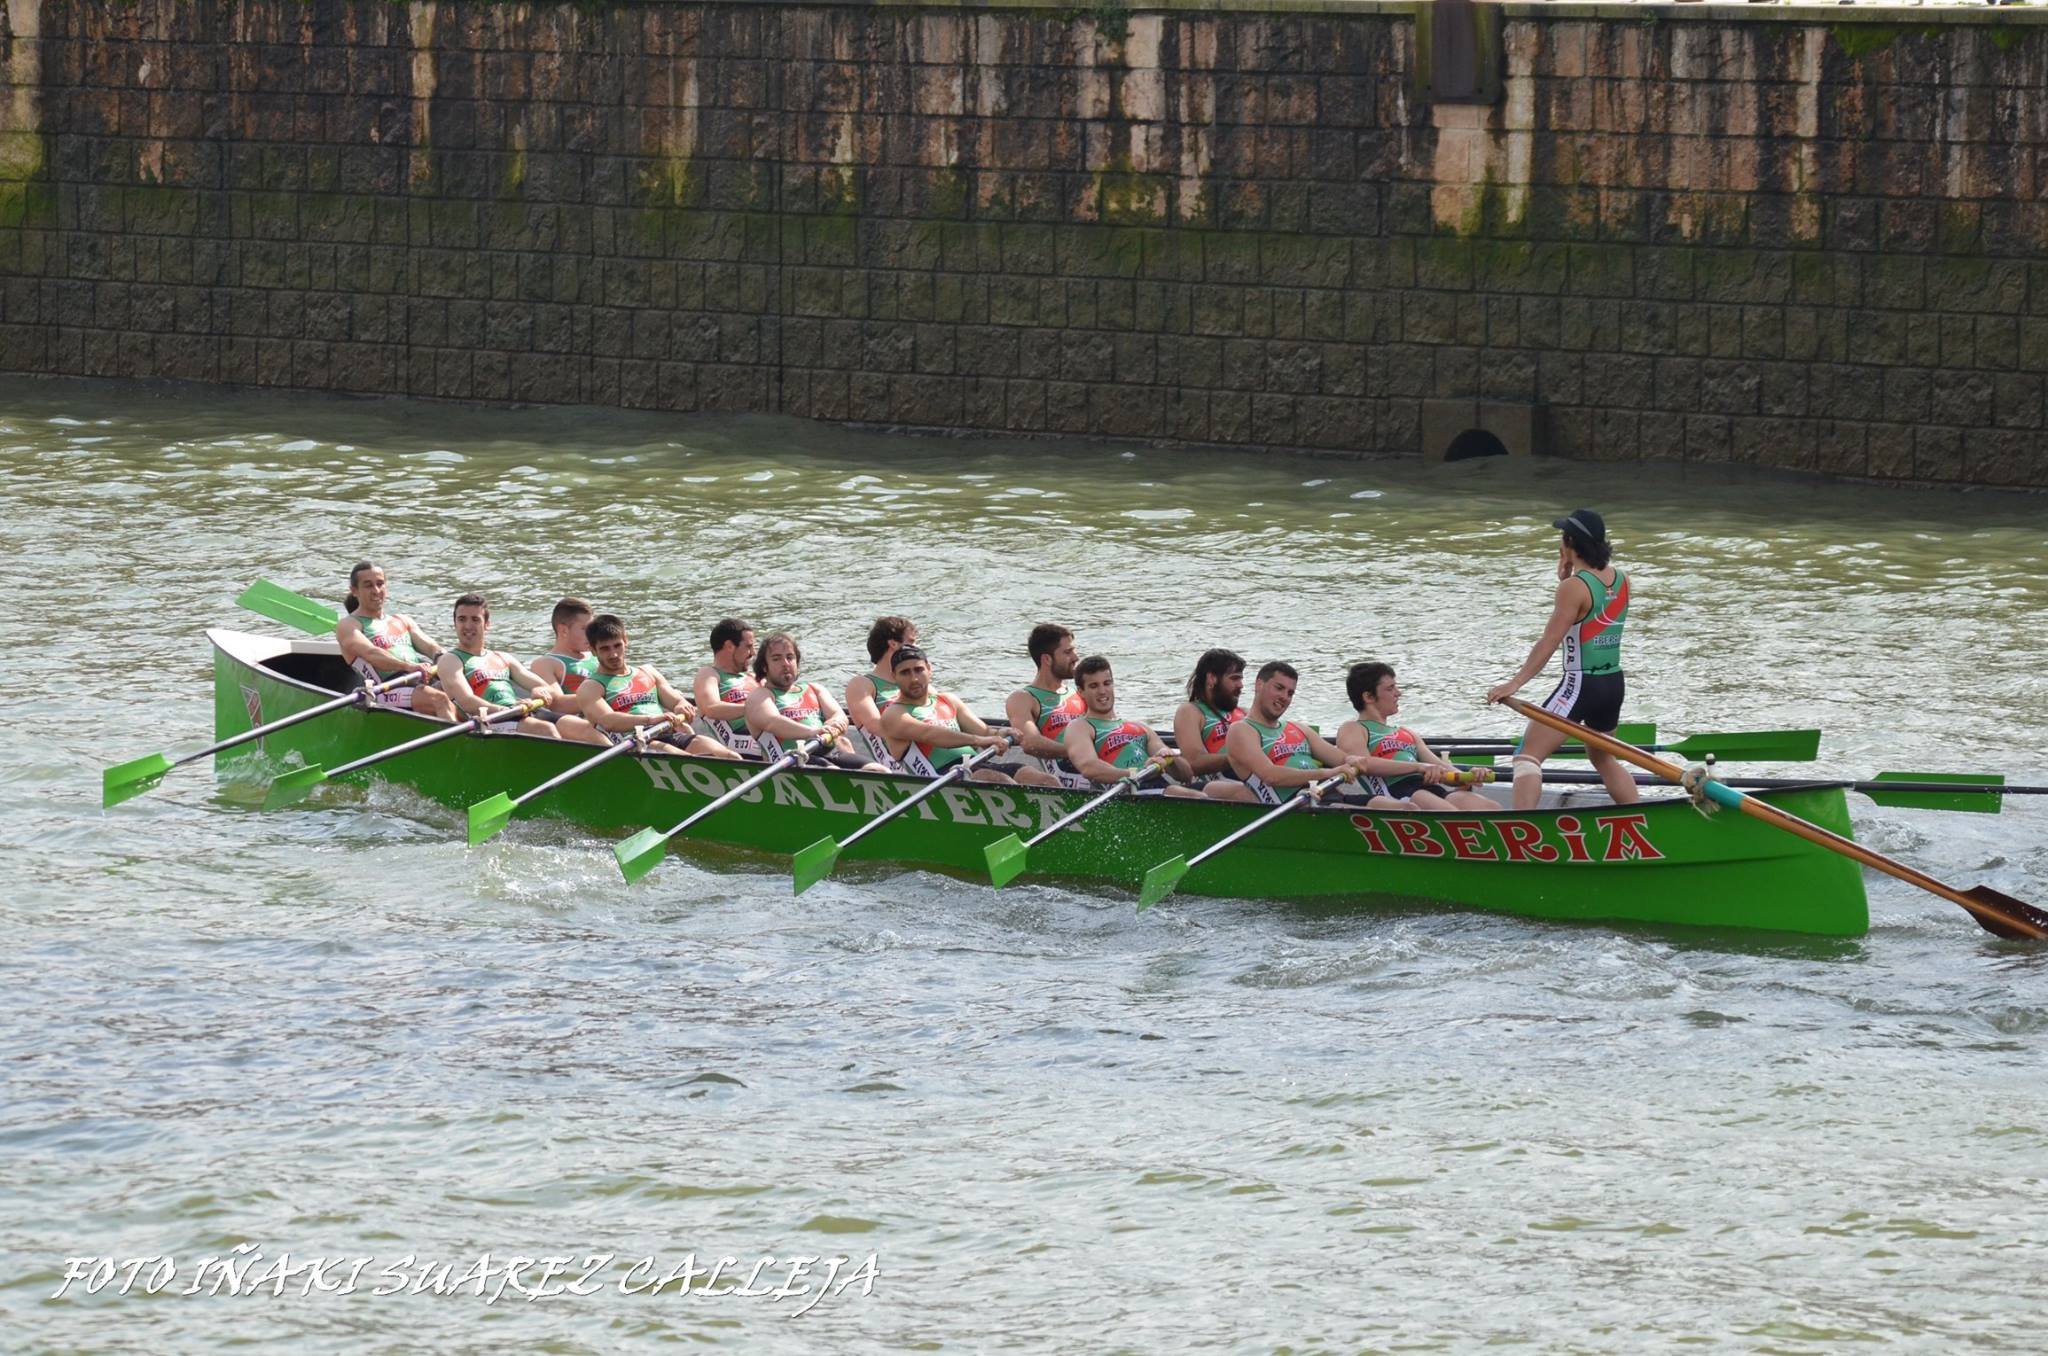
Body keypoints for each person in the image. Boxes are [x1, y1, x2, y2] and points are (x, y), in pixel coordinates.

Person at [1486, 508, 1639, 810]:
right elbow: (1594, 612)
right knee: (1602, 756)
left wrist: (1513, 683)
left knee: (1527, 758)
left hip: (1581, 683)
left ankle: (1521, 832)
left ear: (1569, 544)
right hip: (1613, 683)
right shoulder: (1623, 579)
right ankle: (1642, 818)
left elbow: (1550, 641)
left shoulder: (1572, 588)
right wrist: (1567, 574)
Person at [572, 614, 738, 758]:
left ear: (626, 641)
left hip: (667, 733)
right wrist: (651, 720)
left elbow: (676, 702)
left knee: (730, 756)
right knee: (689, 759)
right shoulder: (590, 687)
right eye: (605, 649)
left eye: (617, 646)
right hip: (636, 743)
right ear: (593, 650)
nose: (614, 654)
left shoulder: (648, 672)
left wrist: (683, 707)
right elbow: (608, 721)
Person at [1335, 662, 1494, 810]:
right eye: (1390, 689)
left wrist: (1469, 775)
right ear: (1368, 697)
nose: (1398, 693)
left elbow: (1439, 766)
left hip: (1429, 787)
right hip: (1394, 794)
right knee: (1449, 812)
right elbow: (1364, 764)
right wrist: (1419, 767)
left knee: (1488, 807)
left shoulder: (1406, 732)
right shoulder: (1353, 728)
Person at [1060, 656, 1220, 800]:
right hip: (1128, 790)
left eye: (1107, 683)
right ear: (1081, 691)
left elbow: (1186, 775)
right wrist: (1137, 773)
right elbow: (1089, 768)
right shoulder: (1080, 727)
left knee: (1232, 791)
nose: (1102, 691)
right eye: (1094, 686)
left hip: (1160, 785)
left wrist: (1170, 760)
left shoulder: (1139, 727)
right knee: (1194, 796)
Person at [1217, 661, 1365, 804]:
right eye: (1279, 688)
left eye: (1290, 693)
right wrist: (1327, 773)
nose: (1284, 697)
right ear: (1259, 684)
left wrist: (1352, 760)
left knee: (1382, 804)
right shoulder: (1241, 730)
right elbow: (1271, 775)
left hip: (1323, 793)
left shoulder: (1299, 728)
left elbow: (1342, 759)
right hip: (1294, 803)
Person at [743, 632, 886, 771]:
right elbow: (772, 722)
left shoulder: (814, 689)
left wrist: (834, 723)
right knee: (835, 773)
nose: (785, 663)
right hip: (792, 760)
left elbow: (839, 715)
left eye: (790, 657)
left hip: (831, 752)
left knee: (879, 770)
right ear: (764, 666)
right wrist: (812, 732)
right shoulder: (760, 696)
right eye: (776, 659)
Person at [876, 646, 1019, 784]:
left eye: (919, 670)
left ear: (929, 669)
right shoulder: (893, 714)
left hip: (977, 766)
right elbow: (930, 734)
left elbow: (986, 732)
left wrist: (1002, 732)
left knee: (1029, 774)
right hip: (941, 778)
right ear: (894, 676)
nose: (914, 679)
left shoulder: (948, 700)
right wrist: (978, 740)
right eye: (905, 673)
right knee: (994, 778)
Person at [334, 560, 456, 719]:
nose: (376, 590)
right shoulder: (348, 625)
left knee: (461, 687)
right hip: (385, 690)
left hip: (416, 680)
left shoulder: (402, 620)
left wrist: (443, 657)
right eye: (368, 585)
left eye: (380, 584)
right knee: (439, 700)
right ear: (354, 590)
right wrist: (409, 667)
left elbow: (430, 646)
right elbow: (372, 654)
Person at [435, 593, 564, 738]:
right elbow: (466, 702)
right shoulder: (450, 660)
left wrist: (538, 692)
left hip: (517, 713)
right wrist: (508, 710)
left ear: (487, 624)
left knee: (577, 727)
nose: (468, 626)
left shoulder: (503, 658)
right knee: (545, 730)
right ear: (455, 623)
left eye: (475, 620)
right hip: (487, 720)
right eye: (462, 619)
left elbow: (547, 688)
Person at [1001, 623, 1089, 788]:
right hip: (1065, 770)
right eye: (1068, 652)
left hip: (1094, 760)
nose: (1076, 658)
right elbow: (1029, 742)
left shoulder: (1080, 693)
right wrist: (1076, 752)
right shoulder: (1023, 698)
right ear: (1047, 659)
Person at [519, 596, 605, 742]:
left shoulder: (598, 654)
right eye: (585, 629)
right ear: (563, 630)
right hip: (580, 727)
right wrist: (604, 696)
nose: (592, 635)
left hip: (609, 716)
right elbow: (558, 704)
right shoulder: (545, 663)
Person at [844, 615, 917, 770]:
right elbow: (877, 726)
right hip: (901, 766)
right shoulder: (862, 685)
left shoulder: (915, 683)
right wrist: (932, 733)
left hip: (932, 749)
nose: (917, 649)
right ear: (893, 644)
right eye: (911, 642)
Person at [1169, 648, 1247, 785]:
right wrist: (1239, 757)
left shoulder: (1245, 712)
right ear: (1212, 678)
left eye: (1241, 679)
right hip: (1220, 784)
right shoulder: (1191, 711)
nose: (1241, 685)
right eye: (1234, 678)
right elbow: (1193, 762)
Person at [692, 617, 761, 757]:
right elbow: (711, 708)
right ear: (729, 646)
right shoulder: (709, 674)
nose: (753, 653)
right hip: (738, 739)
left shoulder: (753, 677)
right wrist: (756, 709)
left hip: (765, 730)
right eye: (748, 647)